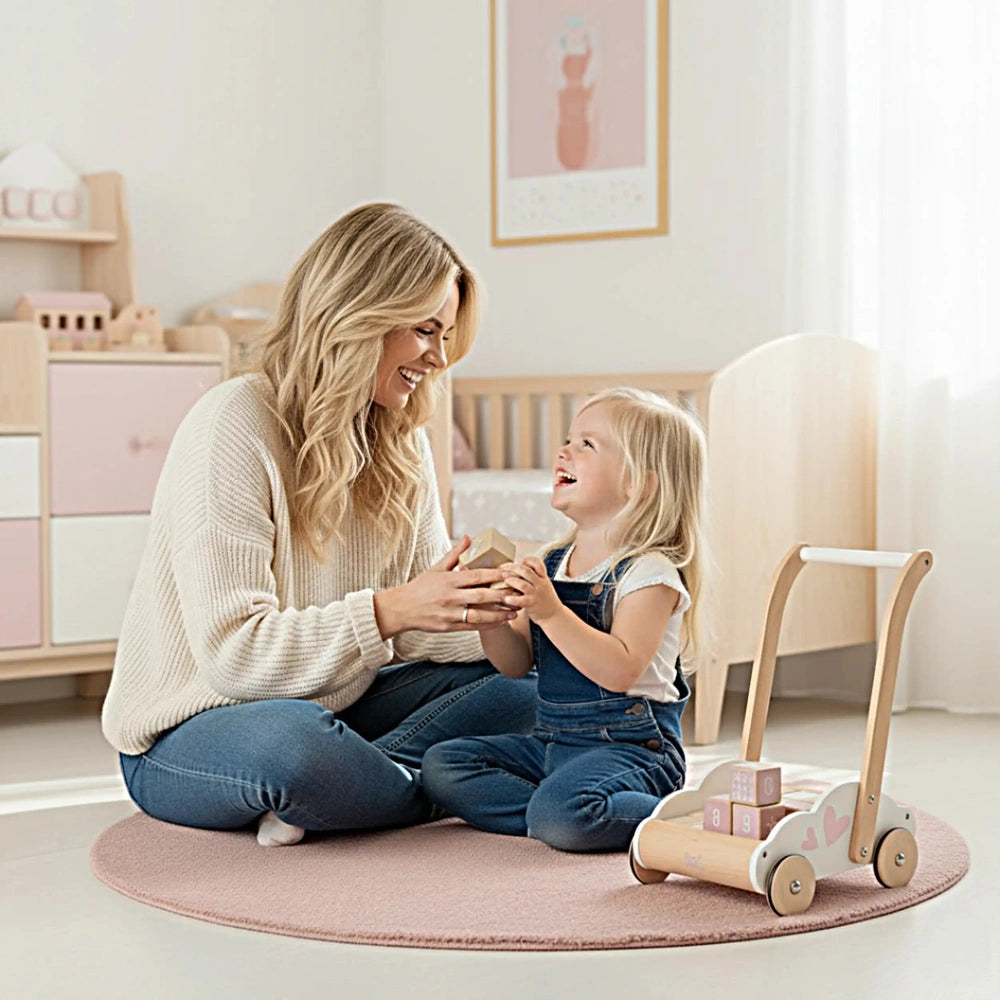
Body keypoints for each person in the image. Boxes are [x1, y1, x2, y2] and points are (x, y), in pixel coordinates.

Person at [101, 202, 537, 846]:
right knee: (295, 750)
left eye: (445, 336)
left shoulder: (400, 441)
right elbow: (234, 658)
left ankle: (358, 789)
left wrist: (512, 620)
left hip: (340, 706)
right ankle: (423, 785)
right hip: (195, 730)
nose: (439, 357)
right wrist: (388, 611)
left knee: (531, 693)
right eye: (425, 330)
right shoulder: (233, 423)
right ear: (360, 313)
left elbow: (420, 632)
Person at [422, 387, 707, 853]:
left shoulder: (650, 573)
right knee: (443, 766)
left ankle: (671, 819)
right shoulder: (554, 560)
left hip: (633, 749)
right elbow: (517, 665)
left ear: (640, 485)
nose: (563, 451)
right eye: (568, 439)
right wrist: (489, 616)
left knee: (562, 811)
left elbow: (620, 669)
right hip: (555, 743)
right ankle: (555, 814)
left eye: (586, 445)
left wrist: (551, 612)